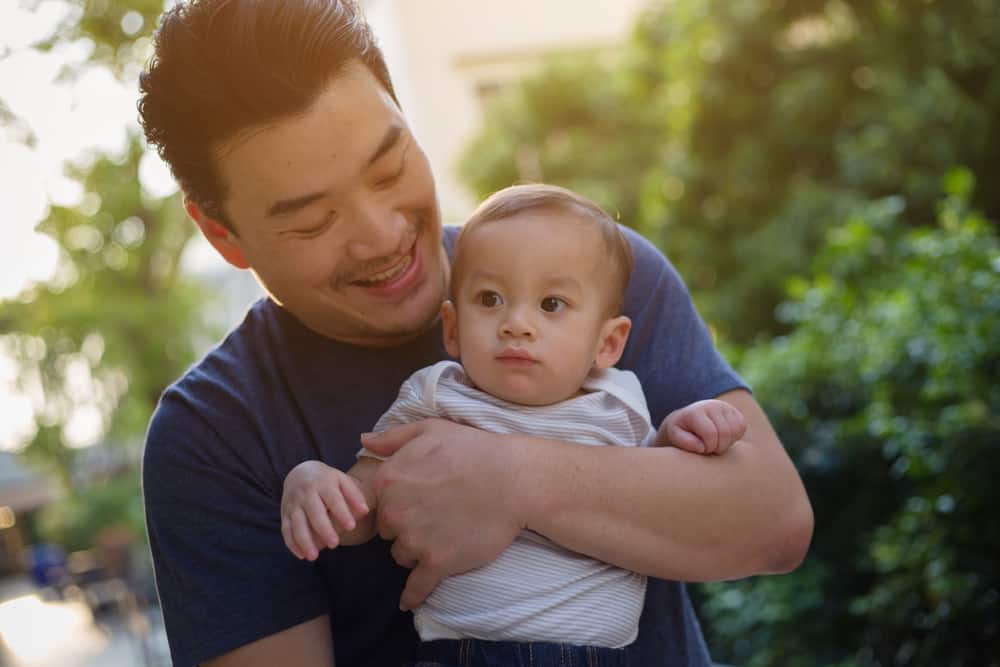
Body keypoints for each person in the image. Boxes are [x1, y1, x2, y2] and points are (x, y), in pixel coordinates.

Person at [137, 1, 814, 665]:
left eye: (389, 167)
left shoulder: (586, 280)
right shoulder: (214, 435)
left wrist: (516, 480)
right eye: (313, 221)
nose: (382, 236)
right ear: (223, 234)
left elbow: (775, 522)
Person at [280, 184, 750, 667]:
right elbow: (368, 497)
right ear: (453, 328)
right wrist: (316, 484)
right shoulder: (437, 395)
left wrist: (681, 432)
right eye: (490, 298)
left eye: (551, 305)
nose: (516, 324)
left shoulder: (619, 403)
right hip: (461, 653)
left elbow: (656, 492)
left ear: (607, 343)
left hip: (603, 656)